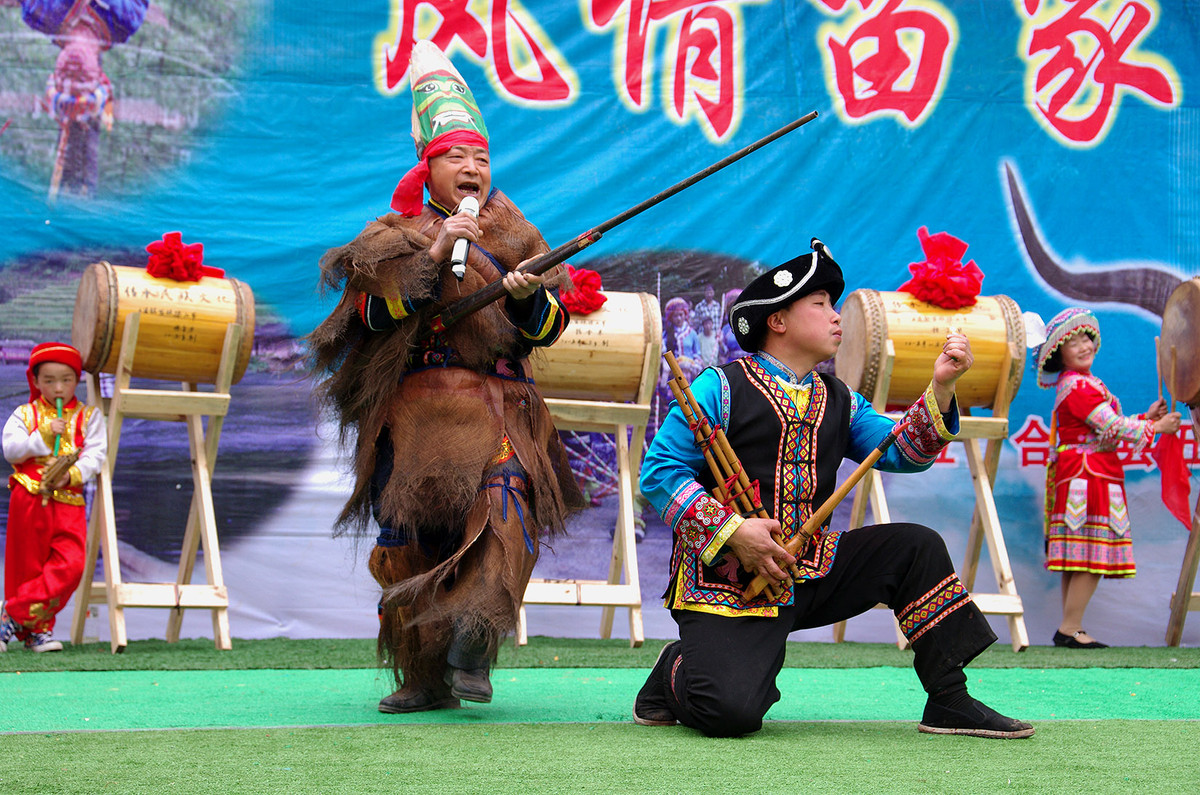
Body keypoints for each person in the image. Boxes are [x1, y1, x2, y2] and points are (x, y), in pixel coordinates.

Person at [633, 239, 1034, 739]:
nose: (836, 316)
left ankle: (949, 699)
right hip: (730, 583)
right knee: (730, 715)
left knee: (915, 547)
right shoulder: (720, 387)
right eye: (820, 304)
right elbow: (660, 473)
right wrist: (735, 531)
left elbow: (901, 453)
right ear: (776, 321)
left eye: (834, 304)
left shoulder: (839, 397)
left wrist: (944, 387)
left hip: (807, 566)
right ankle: (675, 669)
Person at [308, 41, 583, 713]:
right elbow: (366, 316)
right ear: (428, 165)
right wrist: (432, 256)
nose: (472, 168)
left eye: (481, 159)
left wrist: (522, 295)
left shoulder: (517, 232)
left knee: (502, 509)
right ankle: (422, 674)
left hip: (496, 403)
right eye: (457, 157)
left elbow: (548, 326)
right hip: (414, 414)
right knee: (408, 539)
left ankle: (476, 633)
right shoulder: (391, 232)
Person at [1034, 308, 1181, 649]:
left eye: (1086, 338)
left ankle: (1070, 626)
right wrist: (1156, 427)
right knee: (1088, 553)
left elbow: (1104, 428)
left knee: (1079, 554)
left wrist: (1146, 417)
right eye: (1072, 344)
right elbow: (1111, 427)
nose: (1083, 346)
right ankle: (1071, 627)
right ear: (1060, 355)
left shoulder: (1077, 384)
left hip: (1084, 473)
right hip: (1088, 477)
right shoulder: (1079, 387)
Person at [2, 342, 106, 652]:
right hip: (29, 498)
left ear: (77, 380)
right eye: (48, 380)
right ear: (35, 381)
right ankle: (37, 633)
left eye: (66, 379)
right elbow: (10, 449)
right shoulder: (25, 414)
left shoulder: (90, 416)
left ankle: (11, 614)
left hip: (69, 501)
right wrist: (44, 435)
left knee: (70, 565)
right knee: (27, 567)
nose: (58, 387)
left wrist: (71, 474)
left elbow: (97, 454)